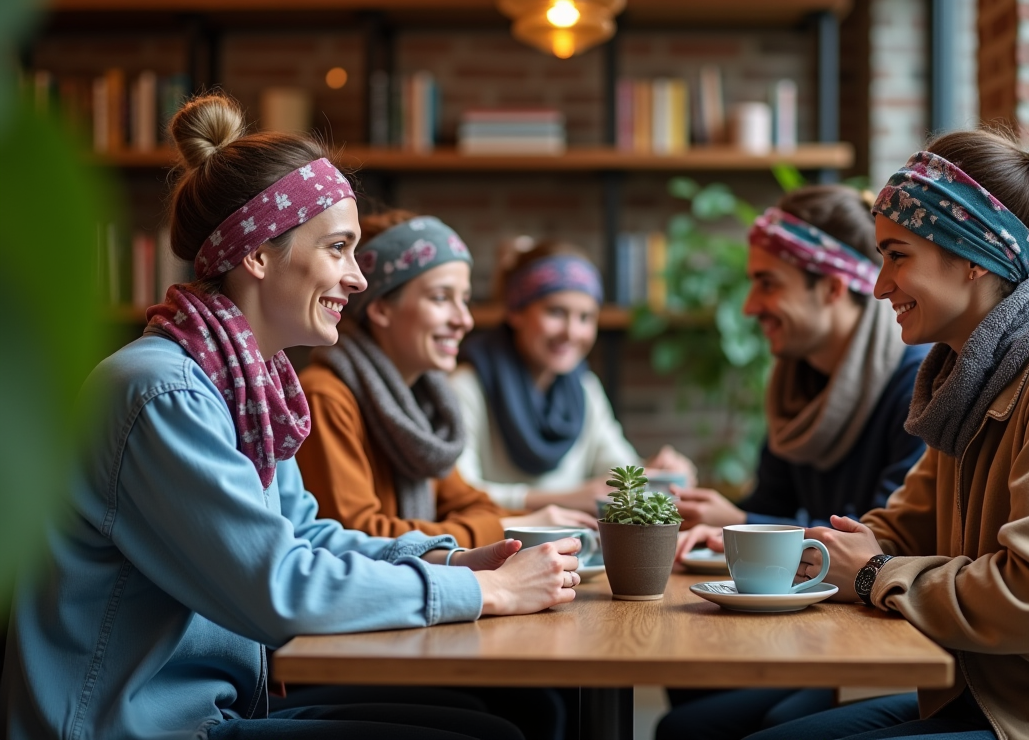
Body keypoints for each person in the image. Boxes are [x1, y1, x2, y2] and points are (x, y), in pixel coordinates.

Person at [1, 94, 583, 740]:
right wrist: (488, 595)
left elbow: (307, 538)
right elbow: (275, 586)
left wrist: (454, 564)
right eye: (338, 248)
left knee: (509, 718)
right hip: (126, 726)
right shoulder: (163, 392)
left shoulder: (246, 383)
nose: (358, 279)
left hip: (206, 709)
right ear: (255, 254)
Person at [748, 107, 1029, 740]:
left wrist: (876, 575)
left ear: (973, 258)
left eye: (896, 255)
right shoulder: (975, 376)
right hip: (999, 696)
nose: (879, 287)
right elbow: (903, 527)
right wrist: (808, 553)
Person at [656, 186, 929, 740]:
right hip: (822, 618)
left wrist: (744, 525)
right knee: (685, 710)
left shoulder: (919, 380)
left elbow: (887, 539)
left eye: (767, 284)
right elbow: (770, 506)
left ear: (831, 287)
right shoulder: (794, 386)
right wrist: (727, 523)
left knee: (711, 723)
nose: (749, 307)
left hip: (886, 633)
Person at [296, 209, 596, 550]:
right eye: (441, 298)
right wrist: (507, 527)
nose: (464, 320)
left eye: (464, 300)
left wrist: (512, 522)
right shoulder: (326, 397)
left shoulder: (423, 401)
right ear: (380, 308)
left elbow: (472, 503)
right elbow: (359, 536)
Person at [450, 241, 694, 514]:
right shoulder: (465, 387)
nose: (571, 332)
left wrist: (655, 471)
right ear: (515, 311)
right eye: (556, 312)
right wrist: (564, 499)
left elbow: (615, 467)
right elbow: (458, 495)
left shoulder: (583, 387)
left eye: (585, 317)